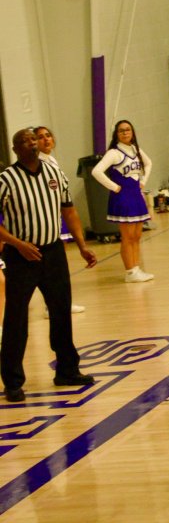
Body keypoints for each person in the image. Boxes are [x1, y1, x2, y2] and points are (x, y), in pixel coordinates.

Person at [0, 129, 96, 403]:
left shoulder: (55, 173)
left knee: (61, 310)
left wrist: (82, 245)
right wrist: (17, 244)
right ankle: (13, 381)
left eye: (34, 139)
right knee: (16, 319)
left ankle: (67, 370)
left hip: (53, 252)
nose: (32, 143)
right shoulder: (6, 179)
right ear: (15, 148)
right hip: (22, 256)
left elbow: (69, 210)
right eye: (25, 141)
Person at [91, 120, 153, 283]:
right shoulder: (114, 152)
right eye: (121, 131)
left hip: (136, 195)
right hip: (123, 197)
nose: (125, 133)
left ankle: (136, 268)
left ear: (132, 132)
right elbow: (96, 171)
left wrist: (144, 180)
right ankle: (130, 271)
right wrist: (114, 187)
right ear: (116, 134)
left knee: (137, 235)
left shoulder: (136, 149)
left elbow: (148, 163)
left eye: (128, 130)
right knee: (128, 236)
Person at [35, 125, 86, 313]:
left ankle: (60, 303)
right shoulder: (38, 164)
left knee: (60, 263)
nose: (46, 139)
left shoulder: (51, 161)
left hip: (59, 215)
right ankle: (51, 306)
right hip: (48, 219)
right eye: (40, 137)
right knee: (50, 266)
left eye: (48, 136)